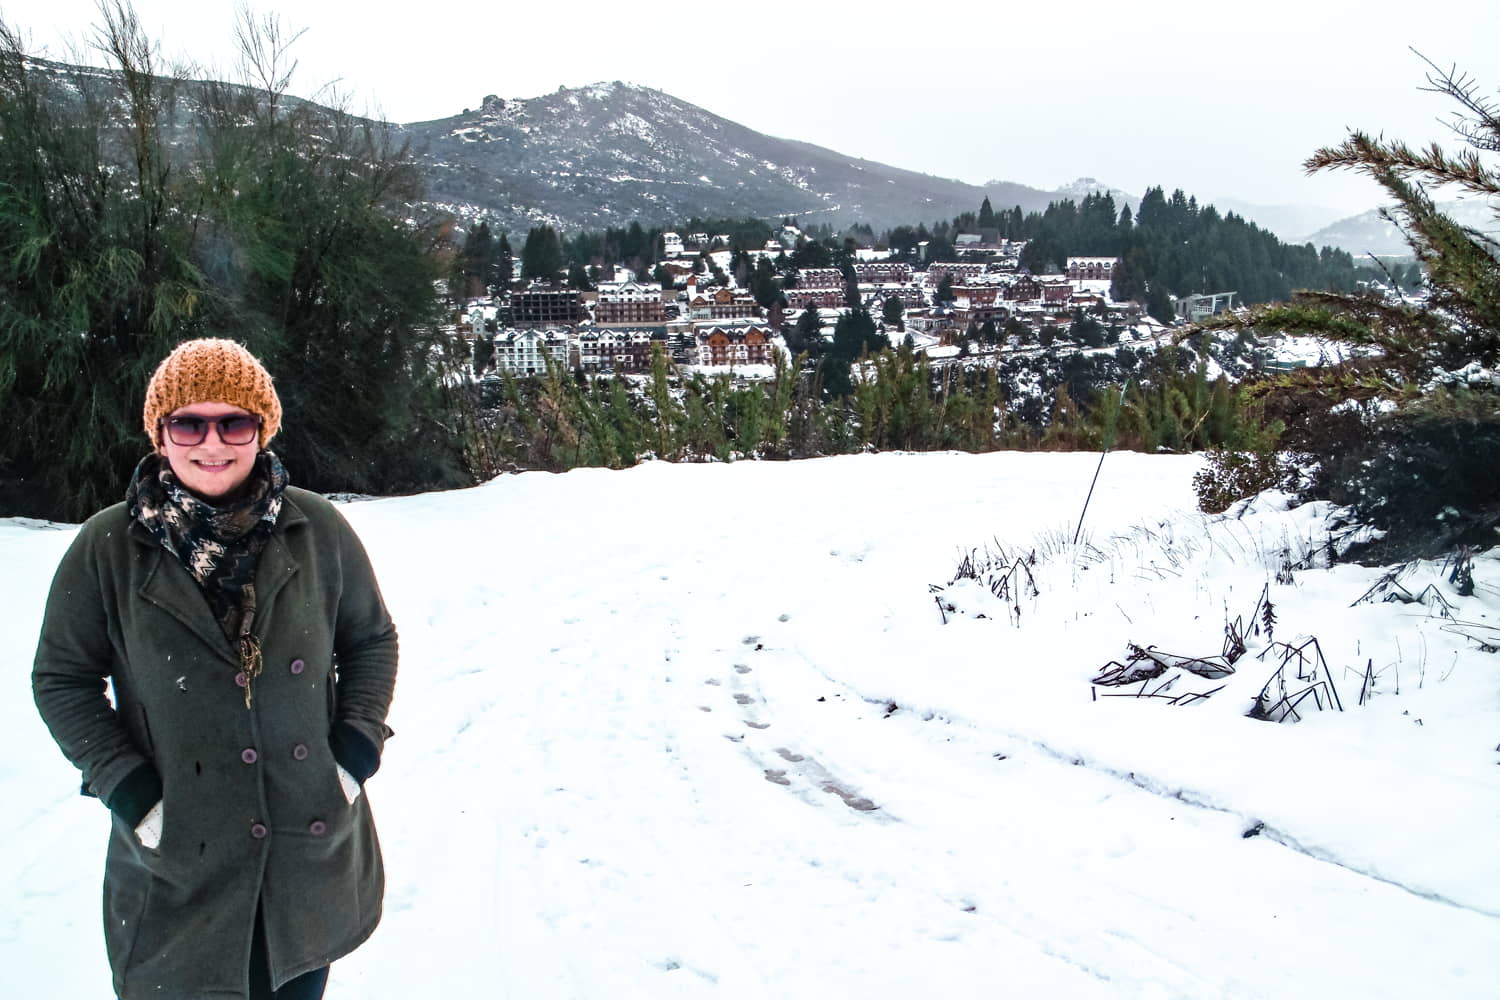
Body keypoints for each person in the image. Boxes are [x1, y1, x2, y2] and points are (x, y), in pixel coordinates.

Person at [32, 338, 398, 1000]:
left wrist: (353, 749)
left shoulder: (317, 529)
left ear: (262, 430)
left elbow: (370, 639)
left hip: (305, 850)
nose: (212, 442)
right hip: (179, 858)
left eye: (234, 422)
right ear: (161, 433)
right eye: (188, 423)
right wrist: (128, 788)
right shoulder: (108, 548)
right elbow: (61, 678)